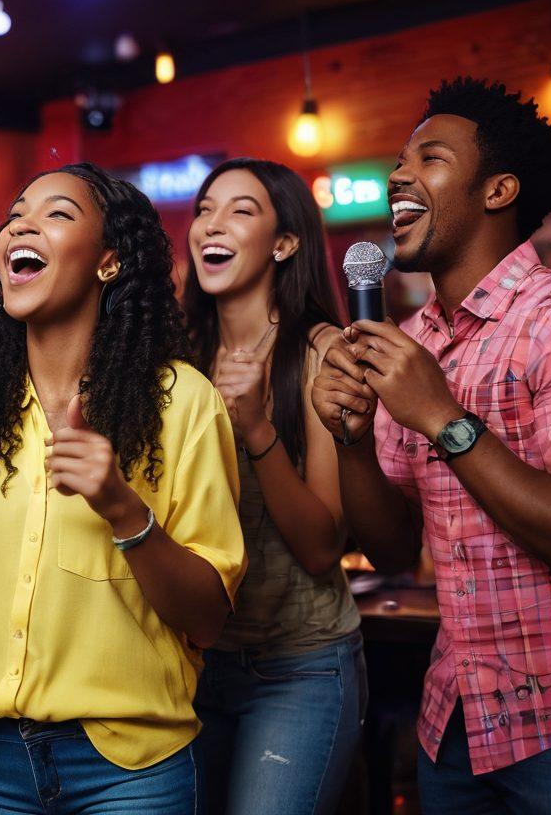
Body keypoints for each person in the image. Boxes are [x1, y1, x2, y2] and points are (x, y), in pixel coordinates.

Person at [0, 163, 246, 813]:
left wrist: (121, 508)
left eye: (57, 213)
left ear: (109, 260)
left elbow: (208, 618)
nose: (21, 223)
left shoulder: (182, 404)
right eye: (17, 213)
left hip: (129, 775)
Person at [312, 78, 551, 814]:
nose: (399, 176)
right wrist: (351, 441)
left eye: (432, 158)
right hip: (453, 722)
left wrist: (443, 417)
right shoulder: (412, 345)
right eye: (399, 160)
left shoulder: (546, 323)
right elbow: (390, 549)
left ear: (498, 189)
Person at [182, 158, 365, 815]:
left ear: (284, 243)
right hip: (193, 666)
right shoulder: (176, 360)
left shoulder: (320, 352)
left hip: (299, 666)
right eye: (205, 208)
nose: (212, 223)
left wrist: (257, 428)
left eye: (239, 210)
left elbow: (322, 547)